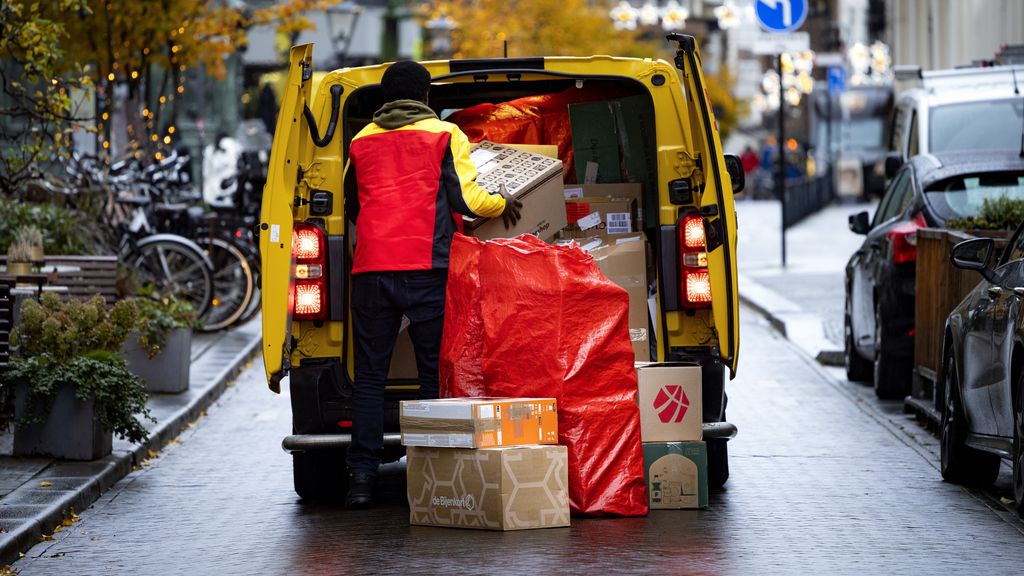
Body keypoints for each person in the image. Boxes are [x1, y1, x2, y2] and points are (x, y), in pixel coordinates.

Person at [341, 60, 522, 509]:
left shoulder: (361, 140)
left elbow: (350, 204)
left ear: (386, 98)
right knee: (430, 375)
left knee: (369, 378)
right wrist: (505, 199)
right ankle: (425, 476)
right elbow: (468, 198)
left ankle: (361, 479)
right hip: (428, 268)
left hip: (372, 271)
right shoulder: (445, 134)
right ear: (426, 97)